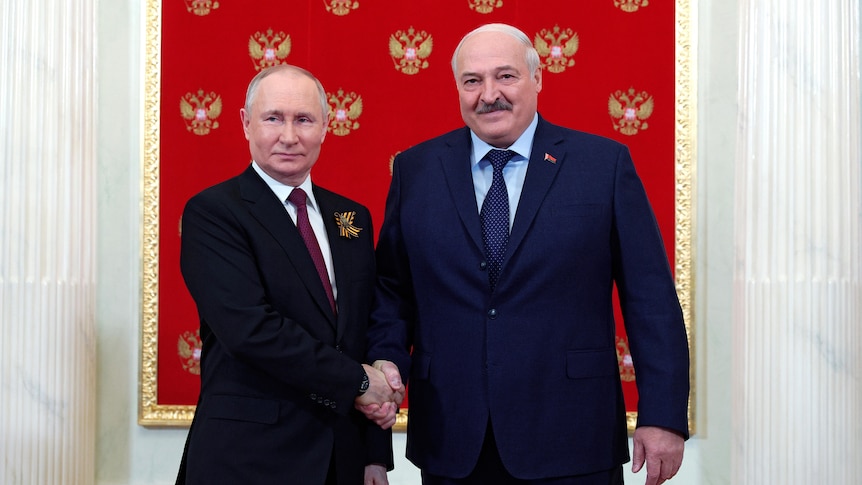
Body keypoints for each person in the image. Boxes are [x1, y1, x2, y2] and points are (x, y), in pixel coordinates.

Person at [365, 23, 690, 485]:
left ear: (537, 79)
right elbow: (393, 290)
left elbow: (650, 300)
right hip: (453, 438)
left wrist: (663, 416)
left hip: (573, 436)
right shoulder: (417, 169)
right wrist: (386, 363)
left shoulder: (603, 165)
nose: (488, 94)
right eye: (472, 81)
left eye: (506, 76)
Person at [175, 64, 403, 485]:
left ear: (326, 127)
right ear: (246, 123)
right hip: (249, 460)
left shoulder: (350, 217)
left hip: (342, 459)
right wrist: (357, 382)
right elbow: (251, 330)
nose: (289, 136)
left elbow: (363, 331)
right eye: (273, 118)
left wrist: (375, 455)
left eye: (303, 120)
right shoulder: (214, 213)